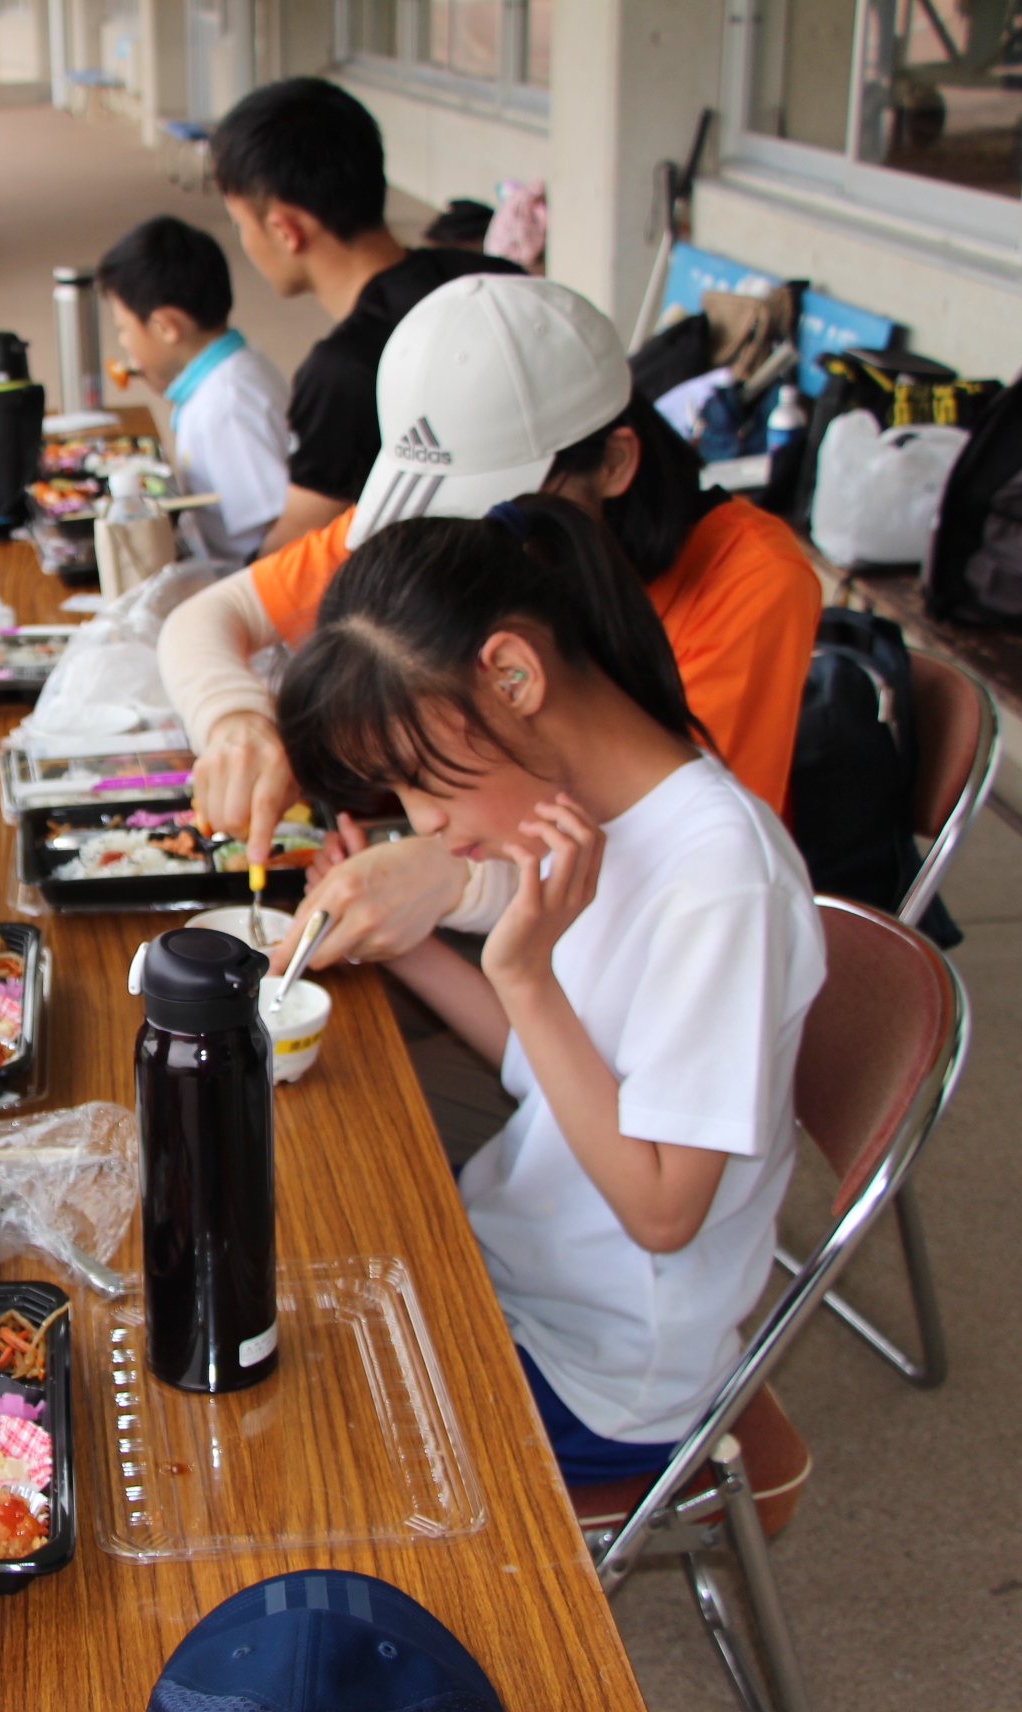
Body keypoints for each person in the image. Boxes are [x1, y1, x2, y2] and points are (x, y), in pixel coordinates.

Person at [273, 499, 823, 1482]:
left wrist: (522, 972)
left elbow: (663, 1210)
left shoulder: (720, 879)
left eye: (417, 778)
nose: (426, 824)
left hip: (600, 1371)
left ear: (513, 674)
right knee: (265, 1258)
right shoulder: (602, 819)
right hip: (519, 1271)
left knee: (271, 1435)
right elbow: (564, 1072)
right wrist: (408, 951)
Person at [158, 275, 822, 979]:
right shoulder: (443, 521)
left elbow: (660, 858)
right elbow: (205, 619)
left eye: (494, 511)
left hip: (605, 964)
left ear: (616, 462)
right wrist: (237, 720)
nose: (464, 541)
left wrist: (453, 879)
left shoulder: (753, 580)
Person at [207, 76, 522, 553]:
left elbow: (291, 552)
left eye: (240, 224)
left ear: (285, 230)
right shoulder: (495, 277)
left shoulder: (343, 370)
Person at [94, 214, 291, 565]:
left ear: (166, 327)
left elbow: (283, 536)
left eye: (124, 329)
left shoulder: (225, 407)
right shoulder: (232, 372)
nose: (123, 343)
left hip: (247, 586)